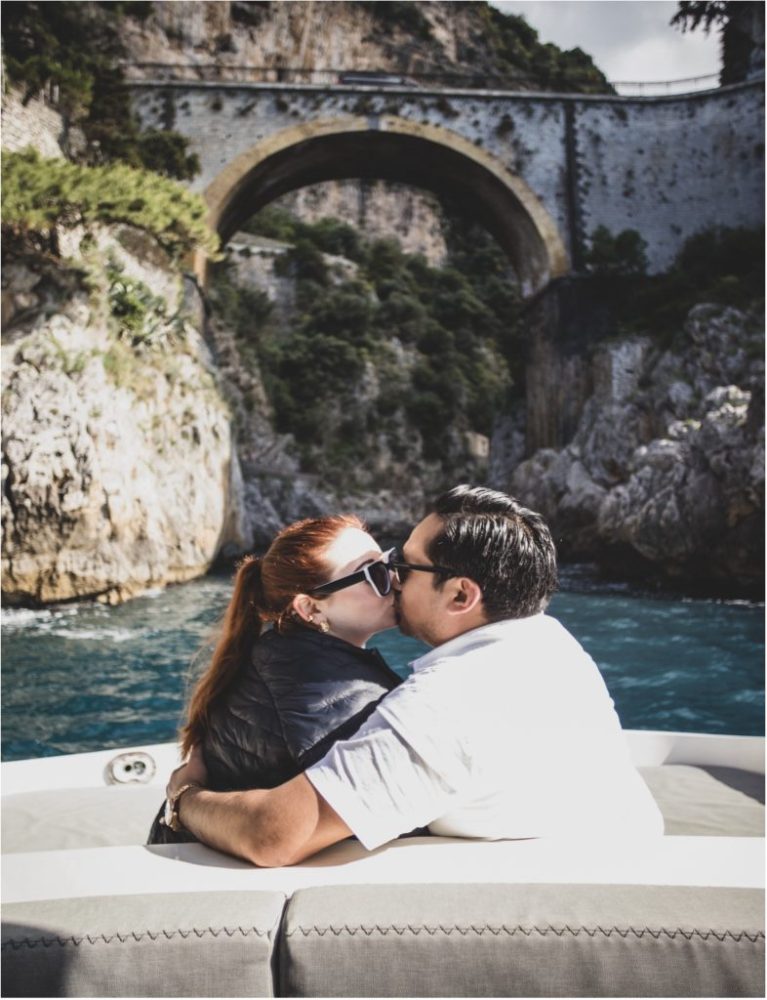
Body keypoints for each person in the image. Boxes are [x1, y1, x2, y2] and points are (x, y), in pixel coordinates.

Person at [164, 486, 664, 863]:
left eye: (404, 564)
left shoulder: (449, 704)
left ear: (461, 596)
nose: (394, 576)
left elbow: (272, 835)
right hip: (619, 874)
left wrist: (185, 798)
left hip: (561, 915)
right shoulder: (549, 642)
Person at [148, 513, 402, 844]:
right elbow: (380, 799)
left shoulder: (283, 653)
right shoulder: (316, 677)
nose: (396, 579)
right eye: (373, 573)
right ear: (310, 608)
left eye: (390, 562)